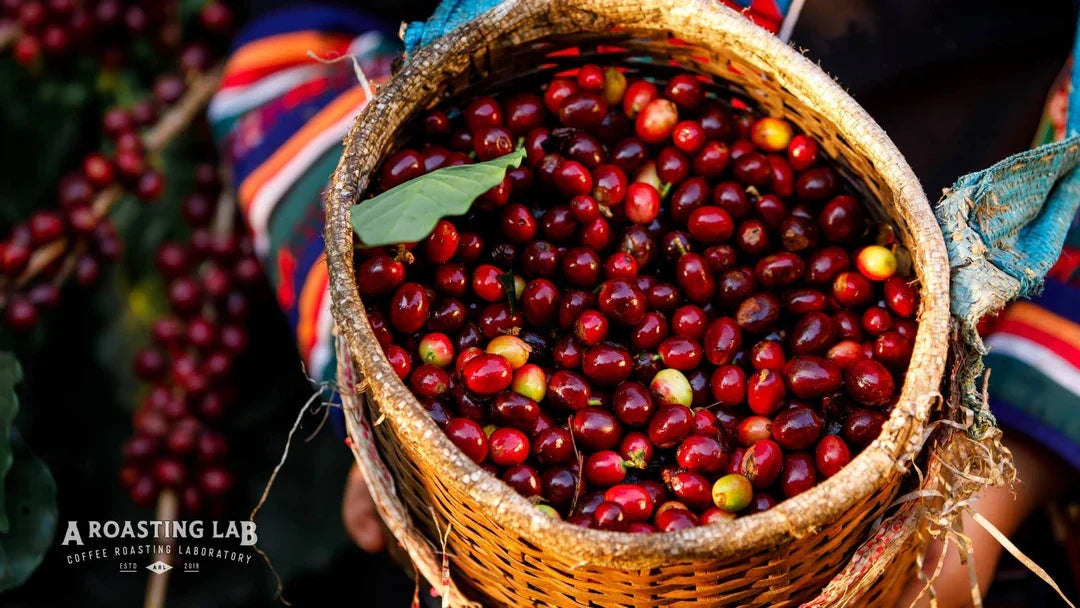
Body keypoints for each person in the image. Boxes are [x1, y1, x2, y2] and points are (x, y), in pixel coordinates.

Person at [212, 1, 1079, 604]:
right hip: (492, 551)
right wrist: (375, 370)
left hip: (923, 487)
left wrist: (981, 493)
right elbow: (277, 71)